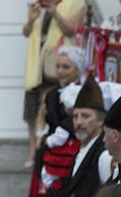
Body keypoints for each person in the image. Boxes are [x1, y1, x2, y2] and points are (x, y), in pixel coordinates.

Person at [25, 46, 84, 197]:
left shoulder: (86, 93)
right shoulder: (51, 95)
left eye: (66, 67)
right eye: (58, 66)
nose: (60, 71)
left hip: (72, 159)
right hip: (52, 159)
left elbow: (77, 124)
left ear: (78, 69)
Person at [22, 0, 85, 166]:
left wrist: (55, 13)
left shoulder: (76, 3)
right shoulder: (39, 5)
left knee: (56, 109)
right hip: (37, 64)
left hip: (58, 62)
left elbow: (72, 30)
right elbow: (26, 32)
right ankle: (33, 151)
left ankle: (57, 149)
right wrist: (30, 19)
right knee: (33, 110)